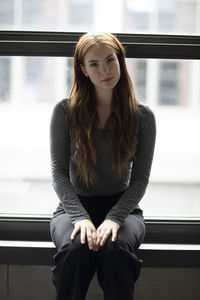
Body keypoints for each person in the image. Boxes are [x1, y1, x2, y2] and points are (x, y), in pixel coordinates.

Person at [50, 32, 156, 300]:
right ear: (83, 70)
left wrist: (113, 218)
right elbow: (59, 174)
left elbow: (140, 181)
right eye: (94, 64)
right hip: (74, 207)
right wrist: (81, 217)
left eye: (110, 60)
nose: (105, 70)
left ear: (120, 60)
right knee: (76, 251)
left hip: (123, 207)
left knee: (115, 251)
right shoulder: (64, 112)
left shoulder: (143, 117)